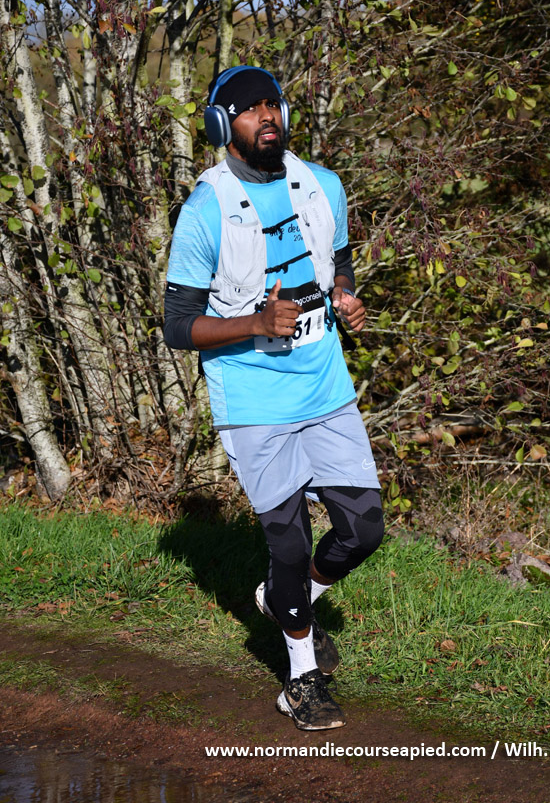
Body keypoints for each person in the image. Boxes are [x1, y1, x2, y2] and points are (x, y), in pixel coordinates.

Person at [163, 65, 383, 731]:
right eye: (249, 108)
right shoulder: (205, 210)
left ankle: (289, 599)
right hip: (253, 397)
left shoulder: (323, 185)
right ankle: (301, 680)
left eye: (272, 105)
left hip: (324, 385)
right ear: (221, 124)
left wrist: (344, 297)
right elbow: (178, 326)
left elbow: (338, 261)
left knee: (363, 529)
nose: (266, 116)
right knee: (288, 544)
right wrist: (255, 323)